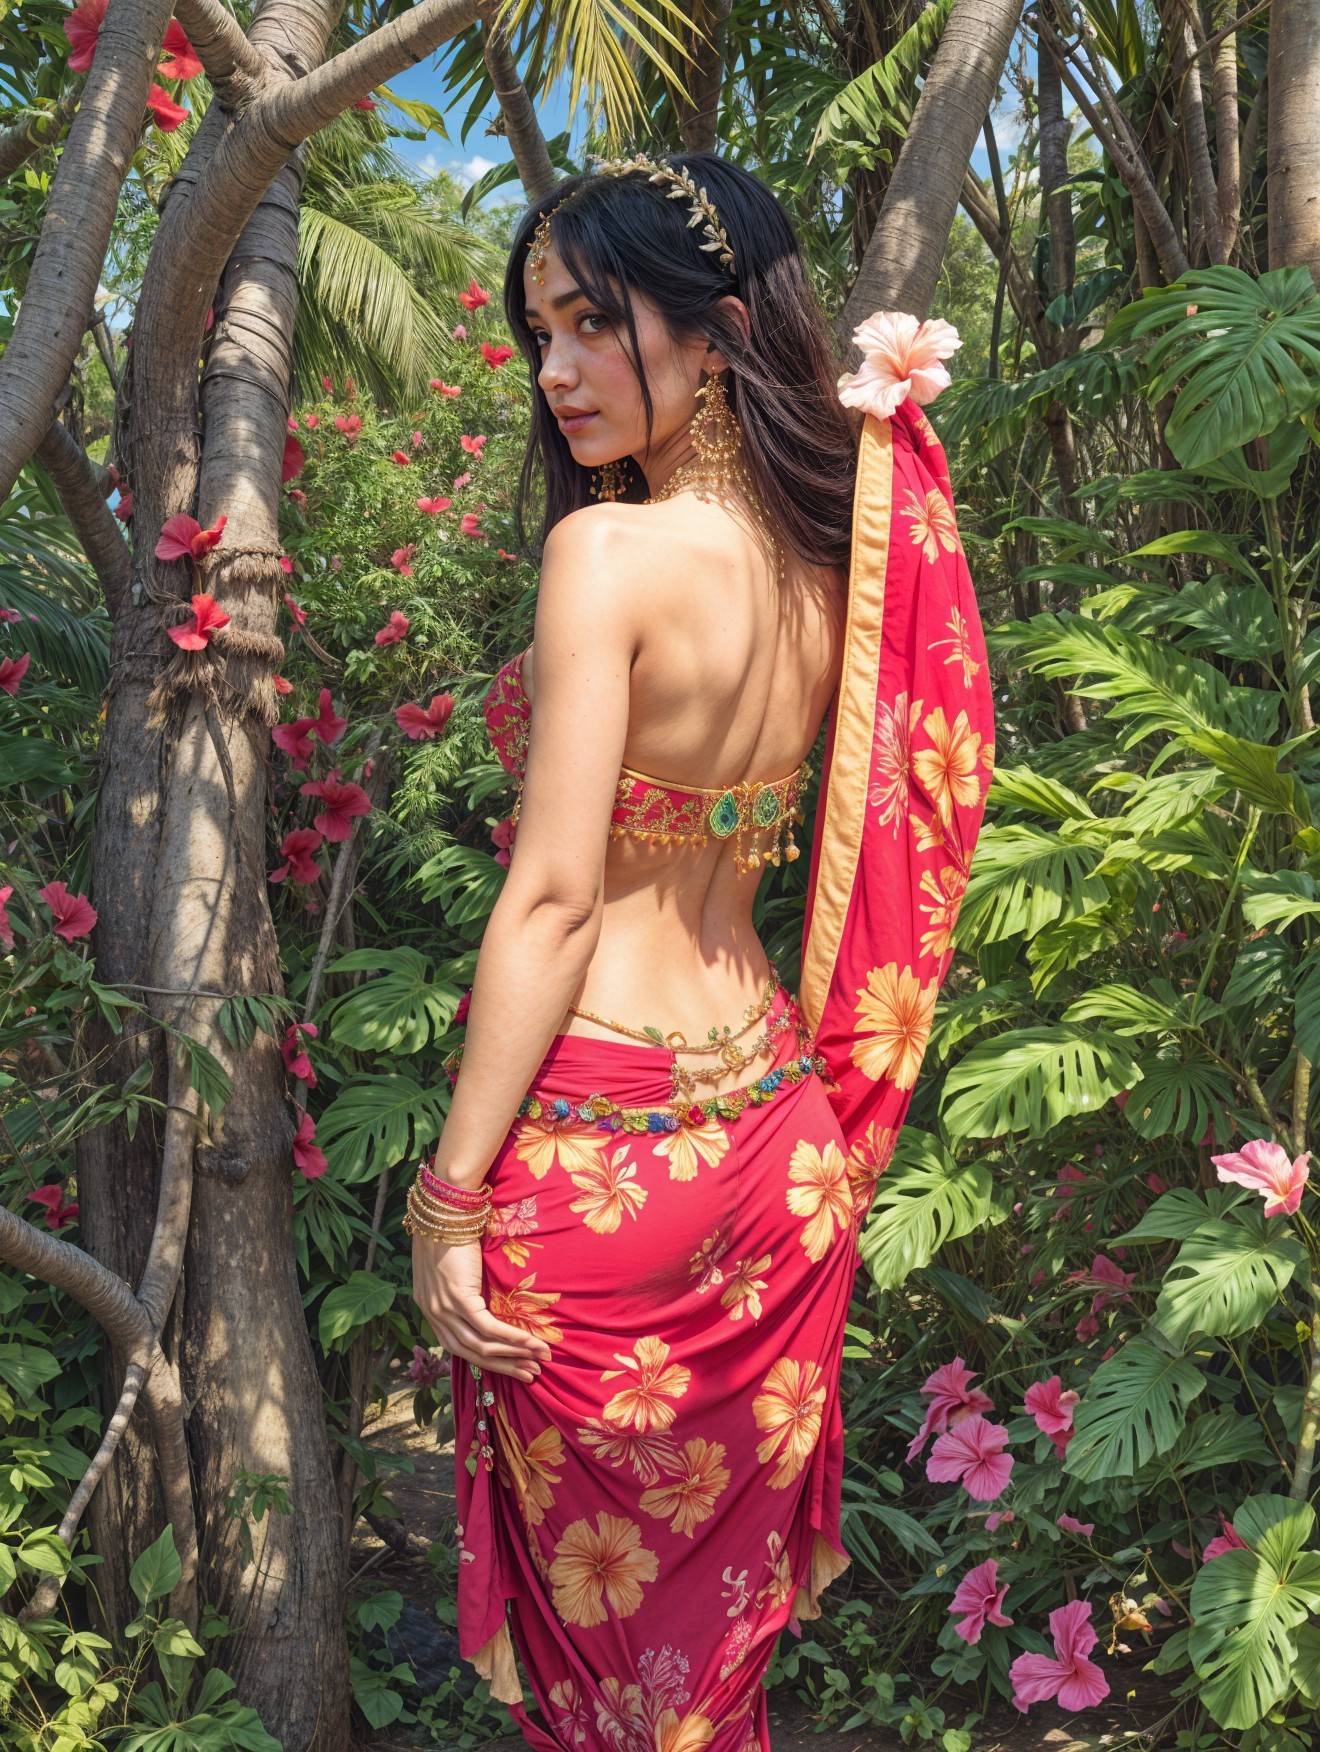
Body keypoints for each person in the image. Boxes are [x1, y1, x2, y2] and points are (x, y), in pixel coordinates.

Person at [409, 149, 995, 1751]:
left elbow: (552, 898)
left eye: (598, 325)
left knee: (604, 1697)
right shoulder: (845, 568)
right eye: (539, 330)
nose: (556, 371)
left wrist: (446, 1194)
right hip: (776, 1158)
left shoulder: (607, 557)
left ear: (718, 330)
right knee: (702, 1685)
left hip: (602, 1163)